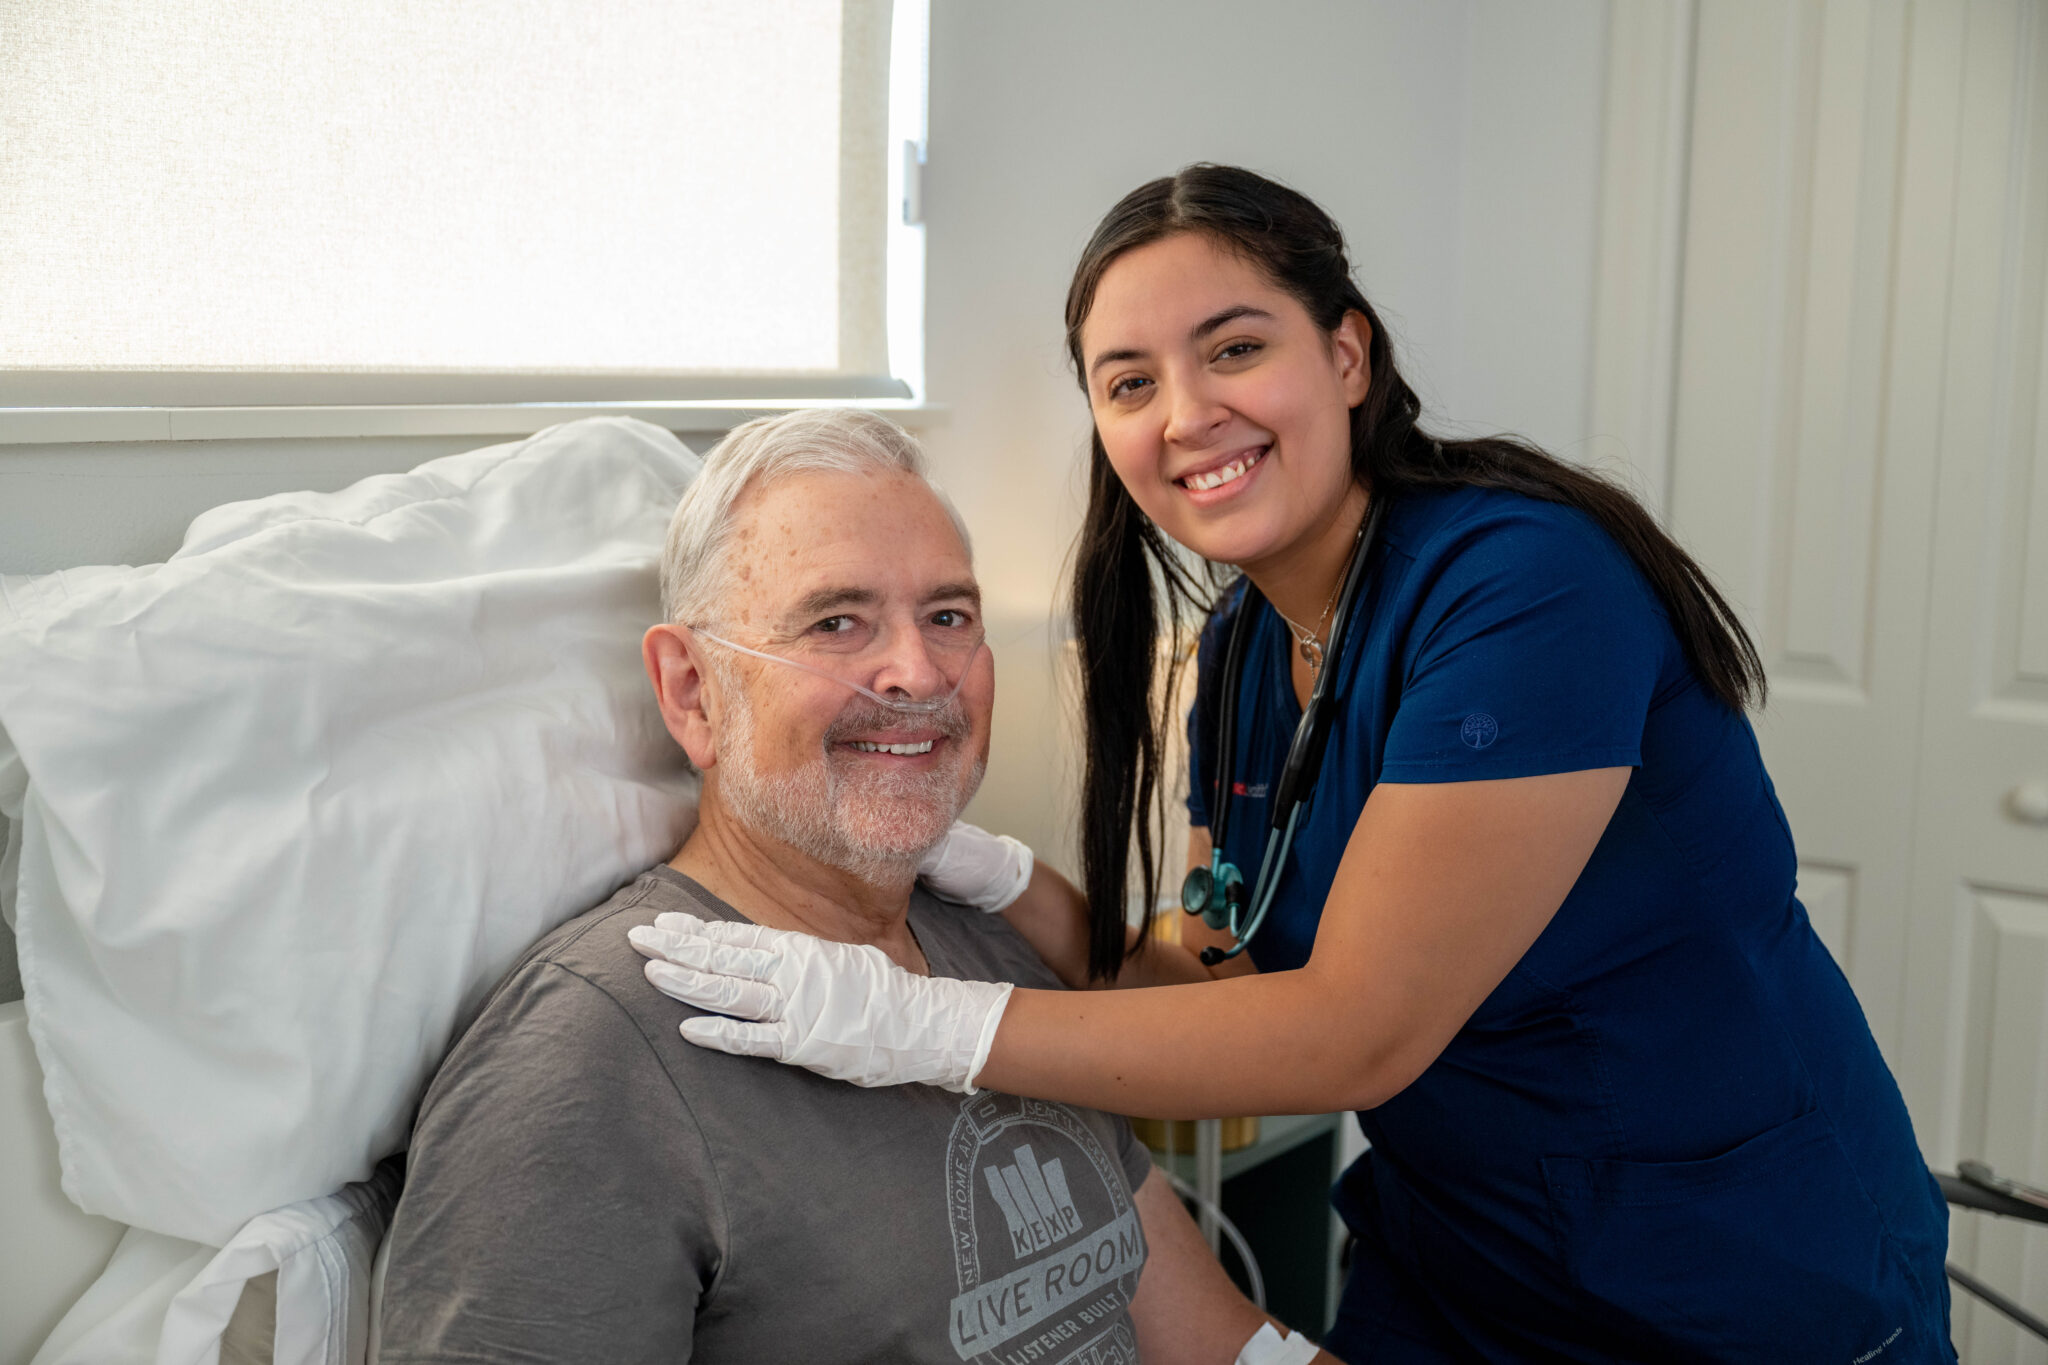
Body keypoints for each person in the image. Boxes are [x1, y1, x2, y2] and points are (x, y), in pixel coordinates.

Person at [632, 169, 1956, 1362]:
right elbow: (1212, 971)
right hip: (1463, 1266)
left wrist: (915, 1026)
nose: (1188, 414)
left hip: (1730, 1272)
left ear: (1346, 355)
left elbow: (1354, 1030)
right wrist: (988, 874)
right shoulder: (1248, 654)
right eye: (1130, 381)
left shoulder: (1524, 592)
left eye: (1235, 349)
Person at [375, 408, 1332, 1365]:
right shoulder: (588, 1067)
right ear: (693, 691)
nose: (916, 671)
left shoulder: (997, 944)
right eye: (837, 622)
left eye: (949, 616)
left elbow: (1223, 1343)